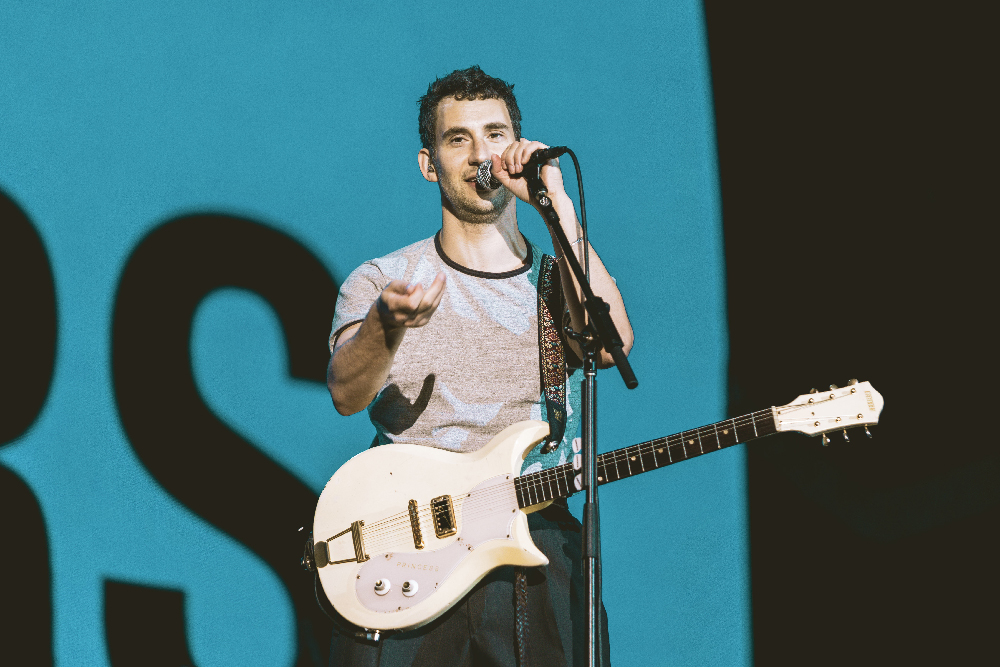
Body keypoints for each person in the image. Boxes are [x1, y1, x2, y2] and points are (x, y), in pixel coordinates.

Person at [326, 65, 632, 666]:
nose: (480, 154)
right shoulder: (383, 279)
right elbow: (345, 391)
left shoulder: (556, 281)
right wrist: (386, 327)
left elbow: (609, 348)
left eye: (495, 134)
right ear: (428, 163)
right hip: (410, 545)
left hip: (536, 539)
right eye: (457, 139)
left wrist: (555, 205)